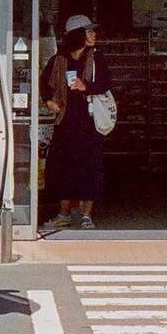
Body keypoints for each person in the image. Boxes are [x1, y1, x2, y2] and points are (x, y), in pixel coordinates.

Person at [42, 13, 112, 230]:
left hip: (89, 123)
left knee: (89, 167)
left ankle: (86, 215)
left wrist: (86, 87)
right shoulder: (59, 59)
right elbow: (44, 83)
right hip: (65, 122)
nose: (93, 34)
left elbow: (106, 84)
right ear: (76, 35)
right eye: (88, 31)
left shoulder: (97, 58)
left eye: (93, 30)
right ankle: (63, 213)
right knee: (62, 168)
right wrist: (48, 101)